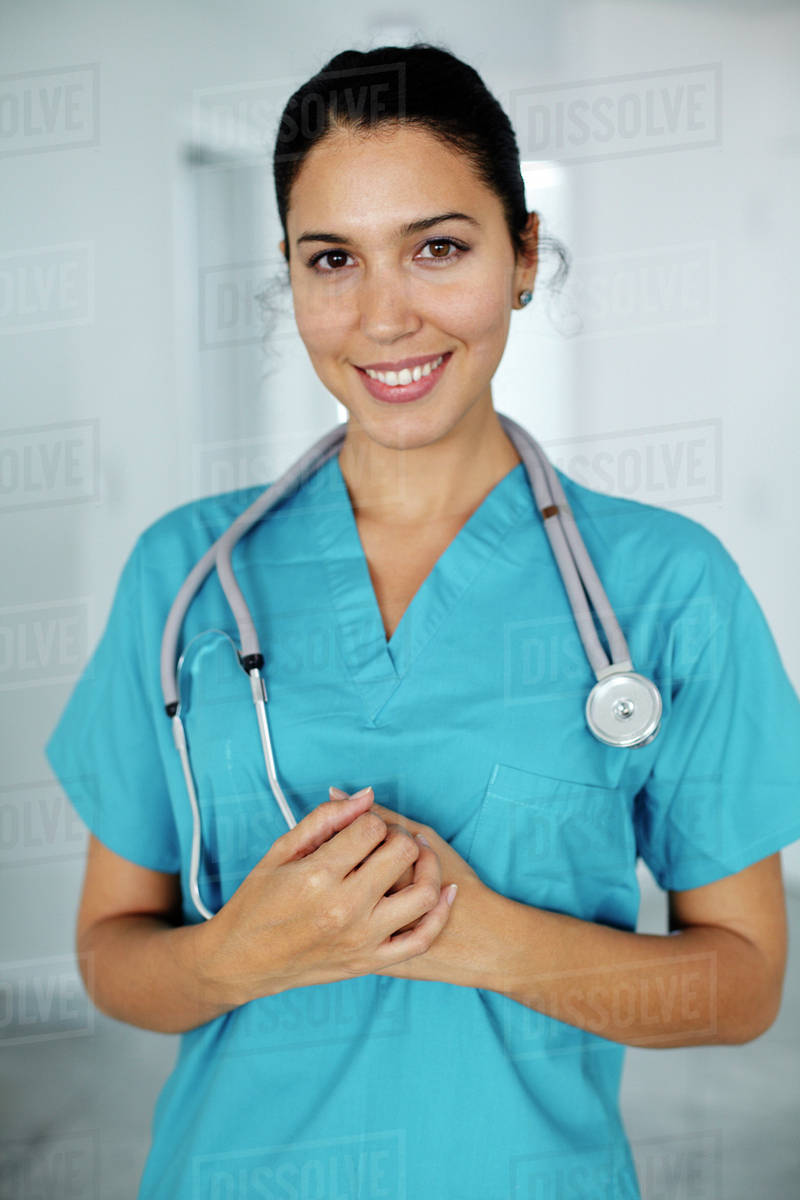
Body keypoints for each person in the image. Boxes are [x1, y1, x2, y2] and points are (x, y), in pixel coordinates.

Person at [45, 43, 800, 1200]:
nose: (383, 315)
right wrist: (237, 957)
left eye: (437, 248)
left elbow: (740, 986)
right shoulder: (186, 577)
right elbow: (112, 956)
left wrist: (475, 936)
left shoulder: (664, 585)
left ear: (522, 256)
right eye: (332, 258)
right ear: (289, 276)